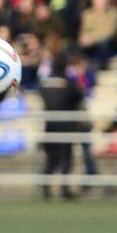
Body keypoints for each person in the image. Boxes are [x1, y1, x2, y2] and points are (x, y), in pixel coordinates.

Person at [37, 56, 84, 200]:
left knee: (51, 158)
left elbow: (42, 94)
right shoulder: (68, 82)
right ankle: (64, 189)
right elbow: (78, 95)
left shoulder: (45, 82)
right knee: (65, 157)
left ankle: (45, 188)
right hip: (66, 126)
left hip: (49, 125)